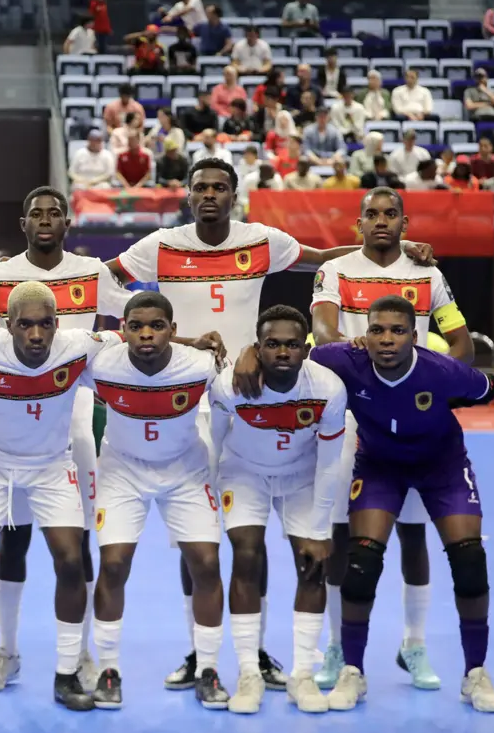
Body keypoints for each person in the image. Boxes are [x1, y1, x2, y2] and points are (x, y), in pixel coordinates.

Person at [102, 158, 435, 692]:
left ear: (234, 195)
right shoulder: (160, 244)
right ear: (187, 195)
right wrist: (165, 334)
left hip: (257, 392)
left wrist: (401, 256)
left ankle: (254, 652)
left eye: (220, 187)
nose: (210, 194)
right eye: (200, 187)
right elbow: (104, 280)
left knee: (259, 539)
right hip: (191, 399)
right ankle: (200, 652)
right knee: (201, 539)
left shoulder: (261, 240)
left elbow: (323, 258)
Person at [300, 188, 472, 692]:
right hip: (349, 421)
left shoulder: (428, 274)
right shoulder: (337, 270)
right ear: (358, 224)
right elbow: (323, 328)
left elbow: (459, 339)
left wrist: (440, 381)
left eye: (390, 214)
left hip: (413, 423)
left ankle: (412, 644)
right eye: (371, 215)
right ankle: (336, 644)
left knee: (413, 535)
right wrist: (351, 350)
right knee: (339, 537)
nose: (380, 221)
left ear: (404, 221)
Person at [0, 187, 134, 696]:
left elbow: (139, 314)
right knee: (10, 539)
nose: (44, 220)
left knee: (73, 544)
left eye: (54, 213)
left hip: (73, 418)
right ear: (23, 223)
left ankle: (78, 652)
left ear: (67, 221)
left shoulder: (92, 271)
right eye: (35, 212)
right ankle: (7, 651)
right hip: (9, 411)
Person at [0, 282, 126, 713]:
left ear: (58, 324)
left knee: (71, 560)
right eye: (25, 325)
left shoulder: (78, 346)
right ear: (7, 325)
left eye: (45, 325)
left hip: (53, 466)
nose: (36, 335)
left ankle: (68, 672)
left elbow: (128, 337)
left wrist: (192, 342)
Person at [308, 296, 494, 713]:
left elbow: (489, 388)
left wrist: (446, 403)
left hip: (443, 469)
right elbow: (295, 356)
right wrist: (252, 355)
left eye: (398, 331)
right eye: (377, 330)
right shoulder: (343, 360)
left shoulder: (443, 371)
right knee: (360, 564)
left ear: (414, 337)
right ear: (365, 334)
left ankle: (476, 674)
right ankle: (353, 672)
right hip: (379, 467)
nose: (387, 339)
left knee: (469, 562)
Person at [88, 292, 227, 710]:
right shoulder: (101, 364)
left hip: (186, 471)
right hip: (121, 471)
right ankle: (108, 669)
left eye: (157, 326)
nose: (146, 334)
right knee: (113, 564)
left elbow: (238, 388)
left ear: (173, 330)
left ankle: (207, 668)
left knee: (205, 563)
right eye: (136, 326)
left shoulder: (201, 366)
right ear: (123, 330)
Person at [208, 305, 347, 714]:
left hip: (302, 476)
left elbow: (329, 463)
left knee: (312, 563)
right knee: (246, 556)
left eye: (290, 345)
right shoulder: (229, 386)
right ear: (258, 347)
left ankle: (302, 674)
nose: (282, 352)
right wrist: (207, 495)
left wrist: (320, 529)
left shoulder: (328, 389)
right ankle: (250, 672)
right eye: (272, 344)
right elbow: (214, 443)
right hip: (244, 473)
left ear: (305, 349)